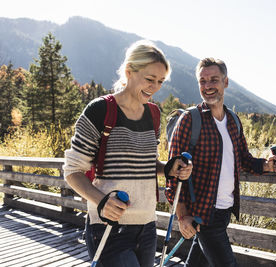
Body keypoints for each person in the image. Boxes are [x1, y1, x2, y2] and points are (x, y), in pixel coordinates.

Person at [63, 40, 192, 267]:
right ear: (129, 71)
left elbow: (147, 164)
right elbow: (72, 172)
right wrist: (102, 202)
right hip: (108, 226)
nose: (154, 87)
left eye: (160, 82)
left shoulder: (153, 114)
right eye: (150, 79)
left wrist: (169, 168)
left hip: (147, 226)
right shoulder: (100, 110)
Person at [165, 57, 276, 267]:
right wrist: (182, 215)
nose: (208, 86)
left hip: (224, 211)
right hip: (202, 214)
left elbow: (244, 159)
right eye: (203, 81)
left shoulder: (233, 121)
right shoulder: (190, 120)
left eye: (214, 80)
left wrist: (268, 165)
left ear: (225, 82)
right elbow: (173, 174)